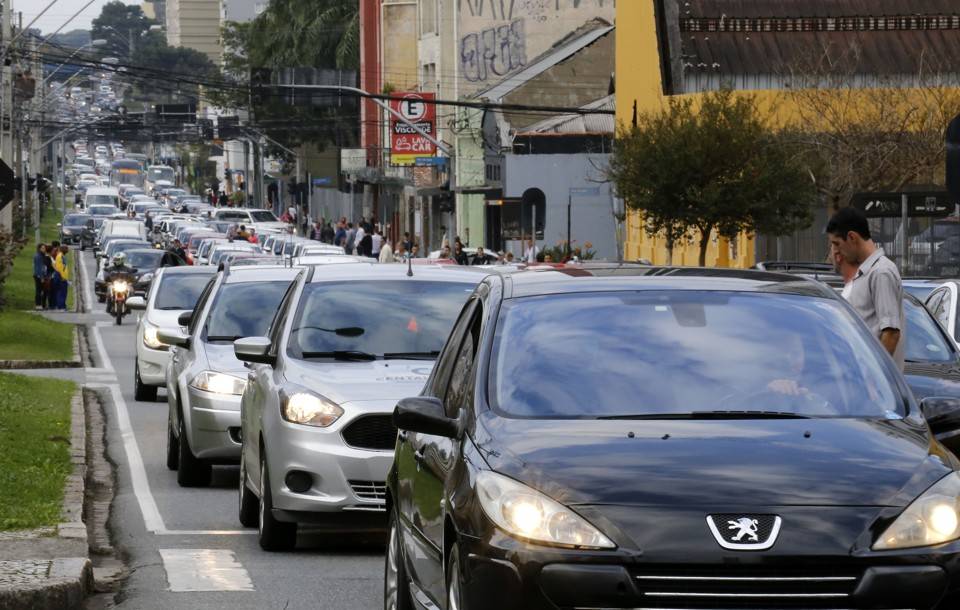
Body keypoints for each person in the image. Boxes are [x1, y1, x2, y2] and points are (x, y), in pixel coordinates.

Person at [827, 206, 905, 370]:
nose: (836, 251)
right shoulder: (865, 273)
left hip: (874, 386)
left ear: (852, 237)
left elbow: (891, 333)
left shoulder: (881, 272)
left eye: (837, 243)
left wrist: (874, 376)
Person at [53, 245, 70, 311]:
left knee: (63, 292)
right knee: (61, 292)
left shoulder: (62, 256)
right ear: (63, 249)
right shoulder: (60, 257)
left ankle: (62, 305)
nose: (68, 250)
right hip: (61, 277)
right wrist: (63, 277)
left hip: (62, 277)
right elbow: (60, 268)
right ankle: (61, 306)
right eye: (67, 249)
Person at [32, 244, 48, 310]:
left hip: (40, 275)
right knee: (39, 290)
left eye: (45, 248)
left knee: (42, 290)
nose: (44, 249)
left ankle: (41, 304)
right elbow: (39, 267)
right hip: (39, 276)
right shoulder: (38, 256)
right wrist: (41, 277)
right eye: (43, 248)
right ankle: (38, 305)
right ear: (39, 249)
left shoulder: (41, 255)